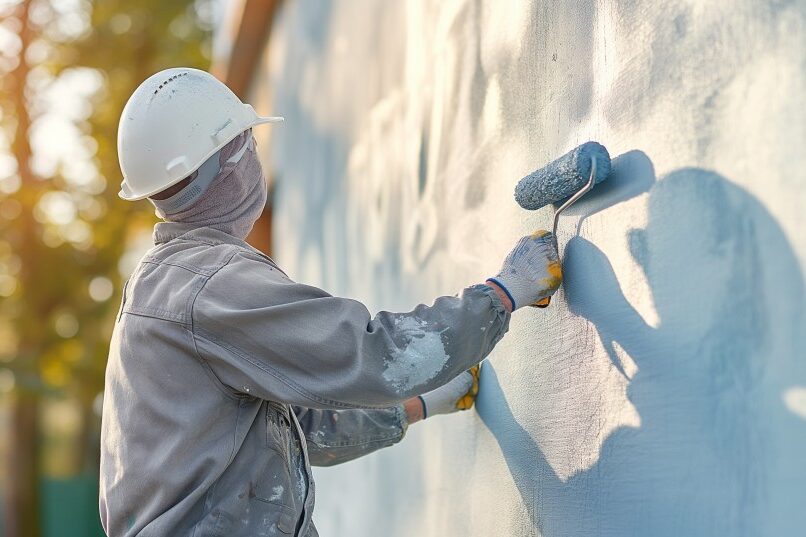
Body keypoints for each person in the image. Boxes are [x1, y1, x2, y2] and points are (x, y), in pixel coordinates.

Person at [99, 67, 561, 537]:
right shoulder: (210, 284)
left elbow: (292, 425)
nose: (256, 157)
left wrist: (416, 406)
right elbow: (374, 355)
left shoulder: (166, 284)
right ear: (227, 166)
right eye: (248, 144)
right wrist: (503, 293)